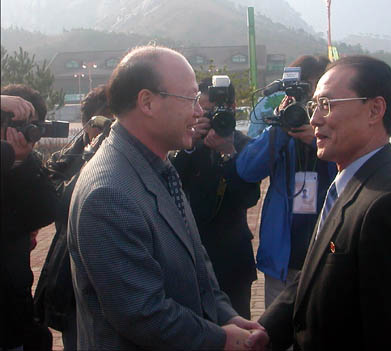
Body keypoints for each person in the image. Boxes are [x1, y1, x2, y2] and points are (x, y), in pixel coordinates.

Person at [67, 45, 266, 350]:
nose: (199, 111)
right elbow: (142, 313)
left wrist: (226, 315)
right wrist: (222, 338)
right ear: (147, 102)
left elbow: (197, 262)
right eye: (190, 99)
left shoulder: (156, 164)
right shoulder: (109, 194)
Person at [256, 55, 391, 350]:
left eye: (327, 105)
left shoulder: (390, 206)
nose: (314, 118)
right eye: (315, 106)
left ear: (375, 109)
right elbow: (312, 276)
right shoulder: (348, 185)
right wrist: (260, 333)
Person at [236, 55, 337, 308]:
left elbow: (351, 175)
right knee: (279, 334)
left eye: (309, 87)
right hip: (284, 256)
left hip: (328, 253)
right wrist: (280, 129)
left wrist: (316, 142)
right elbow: (247, 169)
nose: (306, 96)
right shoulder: (279, 124)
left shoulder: (336, 127)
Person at [170, 77, 259, 319]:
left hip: (232, 257)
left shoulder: (245, 146)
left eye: (214, 110)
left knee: (238, 326)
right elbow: (169, 182)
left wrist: (229, 154)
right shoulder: (187, 144)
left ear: (231, 108)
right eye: (202, 110)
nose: (207, 116)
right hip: (192, 253)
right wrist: (189, 145)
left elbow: (249, 197)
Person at [34, 85, 113, 350]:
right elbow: (57, 204)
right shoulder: (70, 157)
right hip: (73, 281)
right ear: (91, 123)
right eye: (108, 121)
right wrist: (90, 154)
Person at [1, 86, 57, 351]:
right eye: (16, 124)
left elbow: (46, 210)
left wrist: (20, 163)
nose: (23, 133)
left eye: (31, 127)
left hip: (14, 313)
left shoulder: (28, 164)